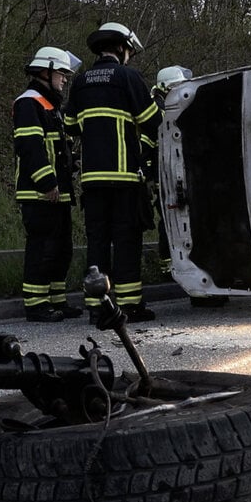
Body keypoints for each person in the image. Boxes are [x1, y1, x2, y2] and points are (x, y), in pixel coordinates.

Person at [64, 22, 163, 324]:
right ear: (121, 48)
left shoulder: (80, 82)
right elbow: (152, 121)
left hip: (92, 181)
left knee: (97, 242)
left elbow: (69, 125)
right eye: (129, 51)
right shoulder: (127, 77)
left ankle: (97, 307)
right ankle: (130, 306)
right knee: (125, 241)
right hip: (123, 179)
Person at [13, 46, 83, 322]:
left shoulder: (51, 106)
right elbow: (31, 147)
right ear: (46, 70)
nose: (64, 79)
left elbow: (57, 148)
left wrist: (71, 162)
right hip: (40, 193)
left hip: (58, 193)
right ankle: (36, 304)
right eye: (62, 74)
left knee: (61, 249)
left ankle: (56, 300)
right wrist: (46, 182)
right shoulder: (29, 102)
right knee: (42, 249)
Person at [142, 66, 193, 279]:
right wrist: (152, 176)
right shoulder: (159, 110)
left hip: (168, 174)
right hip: (165, 176)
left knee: (172, 220)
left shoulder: (163, 107)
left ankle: (170, 264)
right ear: (167, 87)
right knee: (170, 221)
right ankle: (167, 266)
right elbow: (149, 146)